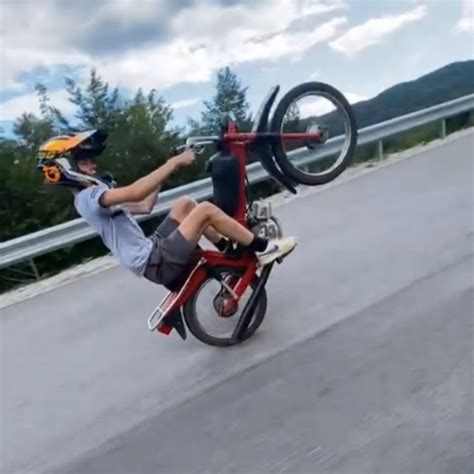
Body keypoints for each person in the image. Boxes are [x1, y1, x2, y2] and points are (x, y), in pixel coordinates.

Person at [38, 130, 297, 288]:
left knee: (185, 204)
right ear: (65, 169)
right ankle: (264, 248)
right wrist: (174, 164)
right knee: (205, 210)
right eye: (85, 162)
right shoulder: (91, 197)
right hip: (154, 262)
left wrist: (168, 165)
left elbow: (145, 205)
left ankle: (228, 250)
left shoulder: (91, 199)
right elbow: (136, 191)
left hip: (151, 251)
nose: (93, 166)